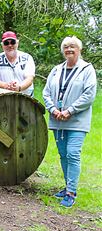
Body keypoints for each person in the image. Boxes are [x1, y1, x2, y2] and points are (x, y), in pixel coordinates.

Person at [43, 36, 96, 208]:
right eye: (66, 47)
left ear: (79, 49)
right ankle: (67, 187)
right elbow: (46, 92)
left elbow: (89, 94)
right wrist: (52, 109)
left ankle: (72, 192)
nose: (69, 49)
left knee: (73, 153)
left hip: (77, 120)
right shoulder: (57, 69)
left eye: (72, 46)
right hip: (57, 119)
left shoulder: (87, 69)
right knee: (64, 154)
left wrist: (70, 110)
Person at [0, 31, 35, 96]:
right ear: (2, 45)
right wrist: (6, 85)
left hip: (26, 98)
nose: (10, 45)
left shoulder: (27, 58)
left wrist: (19, 87)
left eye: (12, 42)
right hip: (5, 98)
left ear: (17, 43)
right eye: (6, 43)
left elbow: (29, 79)